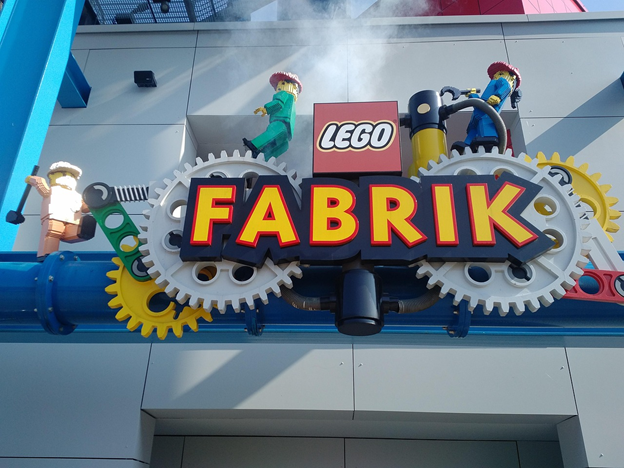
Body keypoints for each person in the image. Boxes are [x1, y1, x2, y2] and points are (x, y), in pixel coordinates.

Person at [26, 161, 95, 259]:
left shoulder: (77, 195)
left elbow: (84, 207)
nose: (69, 178)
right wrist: (34, 179)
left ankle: (83, 233)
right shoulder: (53, 190)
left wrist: (94, 203)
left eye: (72, 176)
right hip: (55, 216)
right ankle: (47, 254)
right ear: (52, 176)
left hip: (73, 220)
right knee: (53, 233)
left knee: (77, 232)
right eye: (64, 174)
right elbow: (43, 189)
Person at [453, 61, 522, 154]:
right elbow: (479, 101)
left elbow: (505, 87)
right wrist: (472, 94)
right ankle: (467, 144)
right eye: (496, 73)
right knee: (473, 128)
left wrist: (498, 96)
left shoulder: (501, 81)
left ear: (511, 76)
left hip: (488, 109)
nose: (496, 75)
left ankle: (488, 139)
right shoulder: (492, 84)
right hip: (480, 108)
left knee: (485, 122)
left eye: (500, 73)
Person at [243, 71, 303, 160]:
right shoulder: (285, 95)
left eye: (281, 84)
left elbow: (281, 105)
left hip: (284, 126)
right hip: (281, 123)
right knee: (277, 134)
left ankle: (262, 154)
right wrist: (267, 109)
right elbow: (278, 103)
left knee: (283, 143)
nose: (278, 88)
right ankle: (255, 146)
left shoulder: (289, 99)